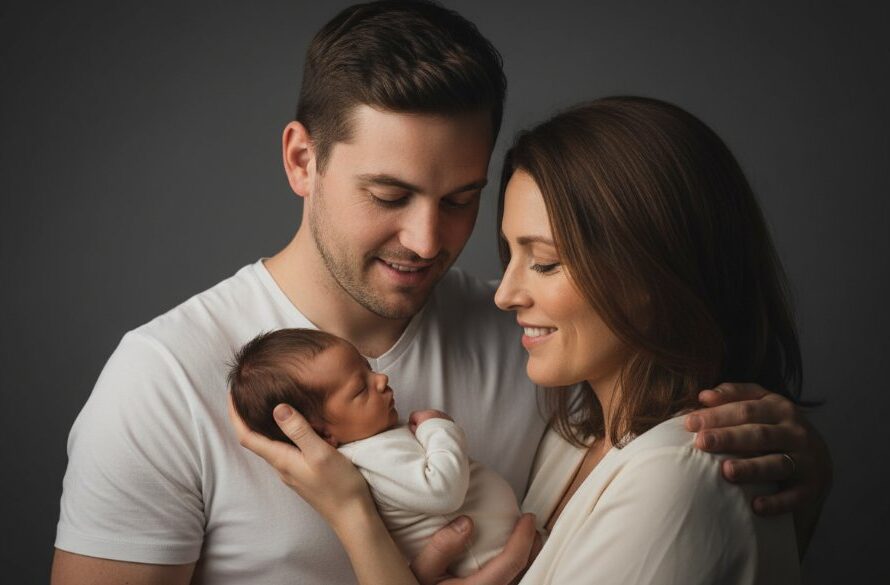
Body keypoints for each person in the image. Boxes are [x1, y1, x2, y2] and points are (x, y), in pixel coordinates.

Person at [52, 2, 830, 584]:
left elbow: (665, 488)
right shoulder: (164, 380)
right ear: (301, 160)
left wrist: (801, 468)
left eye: (460, 198)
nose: (428, 241)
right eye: (389, 194)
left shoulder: (533, 341)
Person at [231, 96, 811, 584]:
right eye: (511, 256)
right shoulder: (577, 432)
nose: (504, 295)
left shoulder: (678, 480)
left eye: (548, 263)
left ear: (658, 274)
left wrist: (353, 513)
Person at [228, 328, 521, 577]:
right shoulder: (371, 456)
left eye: (368, 369)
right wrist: (439, 428)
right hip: (488, 561)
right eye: (360, 389)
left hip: (498, 548)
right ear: (322, 434)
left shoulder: (378, 439)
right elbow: (443, 491)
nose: (381, 380)